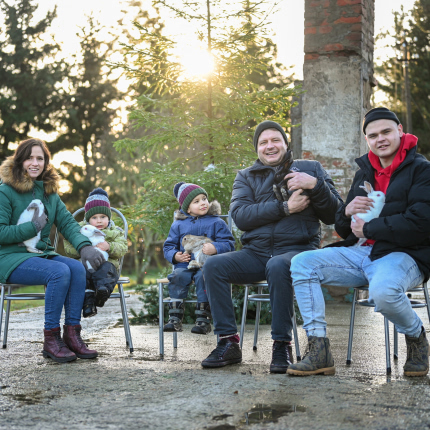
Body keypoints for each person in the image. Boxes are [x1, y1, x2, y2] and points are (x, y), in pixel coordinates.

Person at [288, 107, 430, 377]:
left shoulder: (422, 170)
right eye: (373, 135)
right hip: (360, 252)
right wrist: (346, 211)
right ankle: (319, 350)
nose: (380, 139)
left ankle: (416, 337)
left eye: (386, 132)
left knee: (383, 293)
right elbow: (345, 229)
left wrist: (369, 227)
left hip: (403, 254)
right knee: (302, 263)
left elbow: (421, 223)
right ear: (367, 140)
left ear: (400, 131)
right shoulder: (364, 172)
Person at [201, 120, 343, 370]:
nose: (270, 146)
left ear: (286, 144)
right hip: (255, 253)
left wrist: (314, 185)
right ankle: (228, 342)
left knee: (278, 265)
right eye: (263, 142)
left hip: (298, 250)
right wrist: (285, 207)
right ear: (257, 148)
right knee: (213, 266)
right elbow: (241, 216)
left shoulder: (310, 169)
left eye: (275, 140)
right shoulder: (246, 176)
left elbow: (335, 215)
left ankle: (281, 345)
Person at [0, 138, 104, 363]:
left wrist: (85, 246)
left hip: (40, 254)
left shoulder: (50, 194)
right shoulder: (6, 191)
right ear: (20, 161)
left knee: (76, 268)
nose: (35, 163)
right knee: (59, 271)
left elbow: (67, 224)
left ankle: (72, 335)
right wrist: (32, 227)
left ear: (46, 163)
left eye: (40, 158)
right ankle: (51, 339)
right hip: (9, 258)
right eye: (29, 158)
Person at [163, 182, 235, 335]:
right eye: (196, 201)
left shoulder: (217, 222)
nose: (203, 203)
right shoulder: (178, 225)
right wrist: (175, 256)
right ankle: (175, 318)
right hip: (184, 265)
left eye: (204, 199)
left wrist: (215, 247)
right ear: (187, 208)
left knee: (204, 278)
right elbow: (168, 246)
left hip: (207, 265)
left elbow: (229, 244)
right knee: (177, 276)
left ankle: (203, 320)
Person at [64, 188, 128, 318]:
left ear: (108, 217)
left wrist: (109, 246)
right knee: (81, 274)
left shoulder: (116, 231)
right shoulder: (80, 230)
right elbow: (68, 247)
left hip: (107, 266)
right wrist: (83, 247)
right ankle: (88, 305)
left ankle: (101, 293)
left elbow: (123, 248)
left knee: (106, 270)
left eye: (103, 217)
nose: (99, 221)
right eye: (94, 217)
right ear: (88, 219)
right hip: (86, 265)